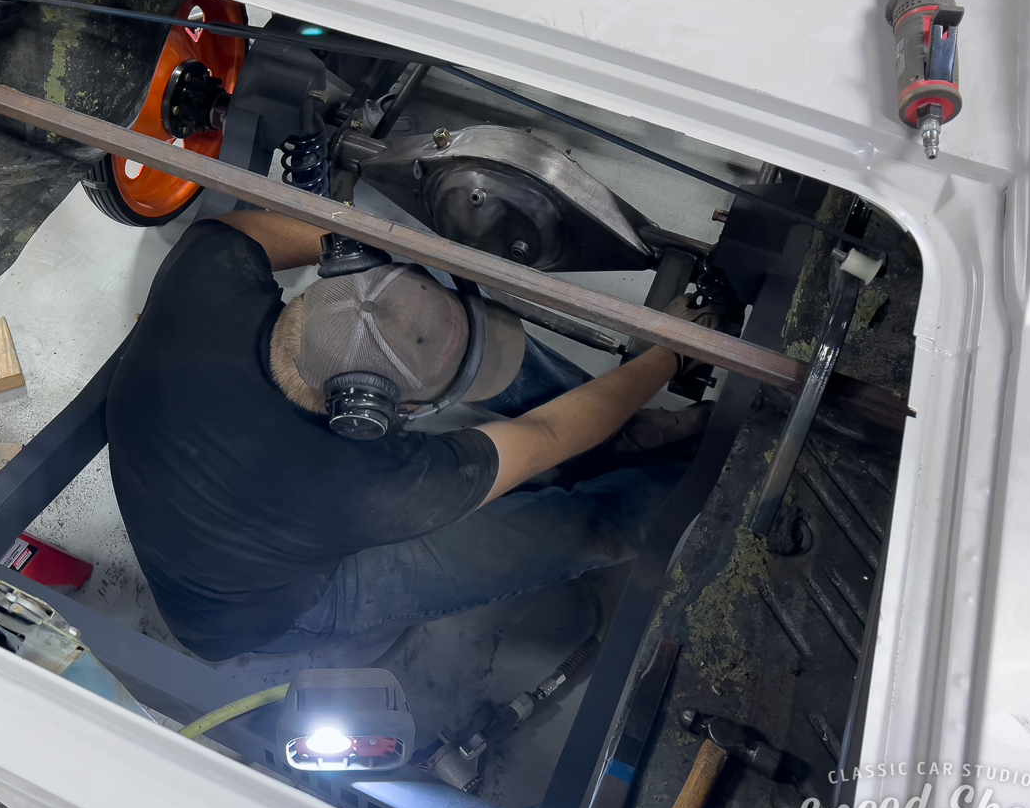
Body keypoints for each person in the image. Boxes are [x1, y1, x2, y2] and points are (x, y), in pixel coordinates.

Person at [106, 210, 711, 661]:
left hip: (207, 498)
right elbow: (546, 433)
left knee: (443, 344)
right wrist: (669, 356)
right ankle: (707, 482)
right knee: (576, 531)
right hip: (266, 609)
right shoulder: (375, 486)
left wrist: (356, 237)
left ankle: (625, 435)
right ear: (385, 413)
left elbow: (232, 229)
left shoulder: (208, 277)